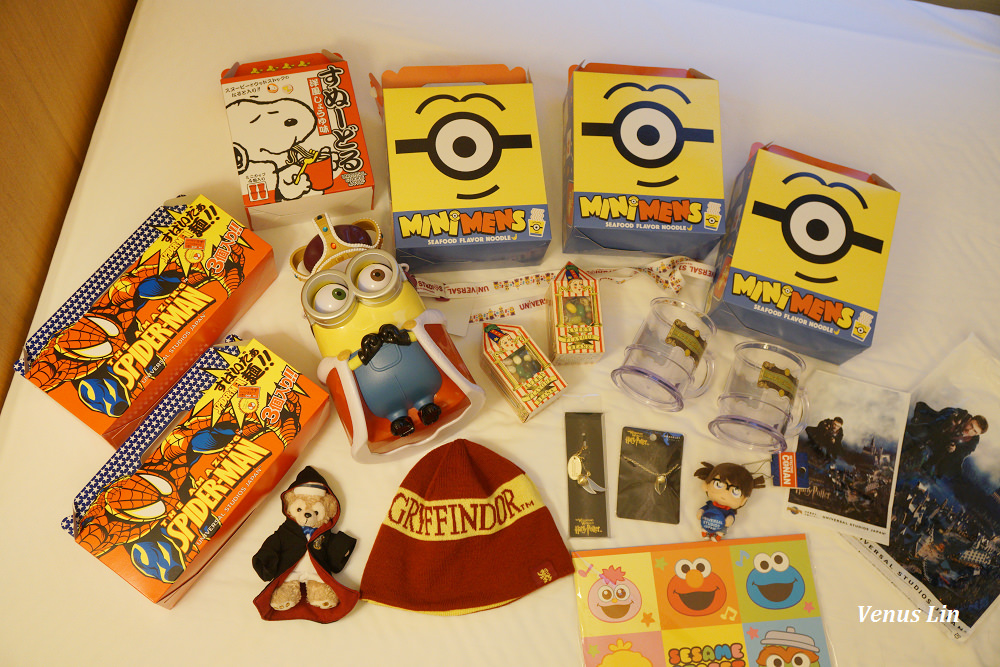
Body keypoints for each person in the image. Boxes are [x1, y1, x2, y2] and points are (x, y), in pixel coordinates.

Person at [909, 402, 988, 479]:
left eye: (974, 431)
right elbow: (946, 413)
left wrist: (954, 449)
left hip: (942, 449)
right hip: (934, 432)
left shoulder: (973, 442)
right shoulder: (962, 415)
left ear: (977, 434)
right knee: (915, 432)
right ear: (970, 420)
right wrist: (952, 419)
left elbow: (963, 453)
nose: (969, 430)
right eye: (971, 425)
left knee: (947, 468)